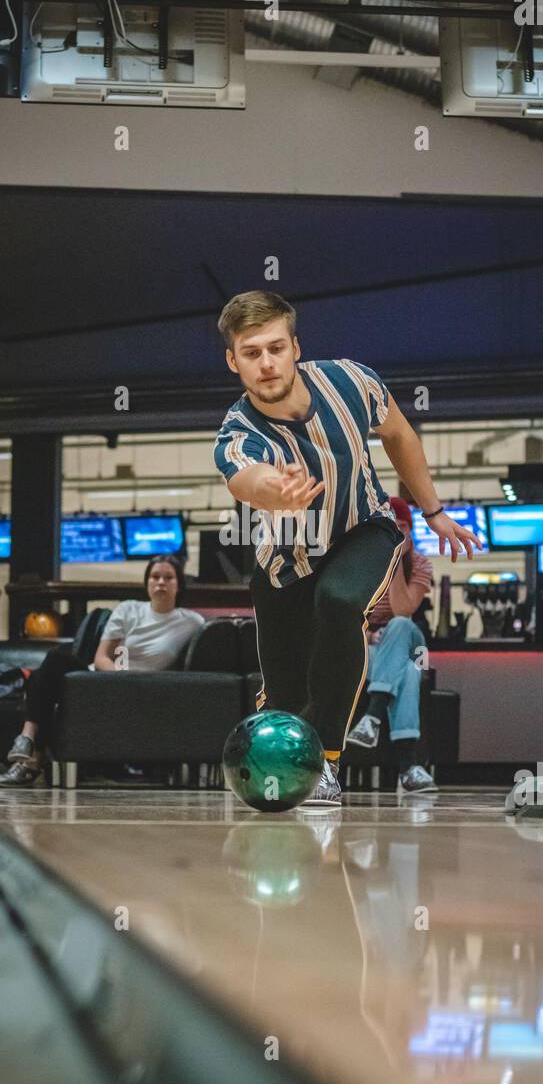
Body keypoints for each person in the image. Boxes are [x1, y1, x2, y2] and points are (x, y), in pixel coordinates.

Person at [213, 290, 481, 806]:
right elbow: (245, 479)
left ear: (295, 347)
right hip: (286, 561)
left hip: (365, 528)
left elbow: (399, 433)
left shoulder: (351, 380)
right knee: (286, 697)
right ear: (233, 361)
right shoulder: (237, 429)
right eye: (251, 353)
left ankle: (328, 763)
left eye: (275, 348)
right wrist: (277, 487)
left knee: (339, 602)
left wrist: (433, 511)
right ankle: (276, 774)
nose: (266, 363)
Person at [0, 555, 203, 786]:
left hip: (146, 689)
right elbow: (102, 657)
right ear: (147, 583)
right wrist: (118, 679)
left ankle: (30, 759)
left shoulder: (192, 622)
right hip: (103, 679)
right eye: (155, 577)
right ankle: (27, 738)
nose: (161, 583)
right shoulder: (129, 609)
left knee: (38, 677)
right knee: (55, 659)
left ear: (179, 585)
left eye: (168, 578)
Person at [347, 495, 436, 793]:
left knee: (399, 626)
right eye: (389, 529)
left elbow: (403, 610)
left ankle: (373, 715)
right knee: (409, 673)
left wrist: (395, 563)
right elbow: (349, 617)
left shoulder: (421, 564)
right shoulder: (361, 564)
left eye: (401, 528)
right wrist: (370, 635)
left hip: (412, 643)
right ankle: (409, 768)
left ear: (409, 531)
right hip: (371, 647)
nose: (396, 535)